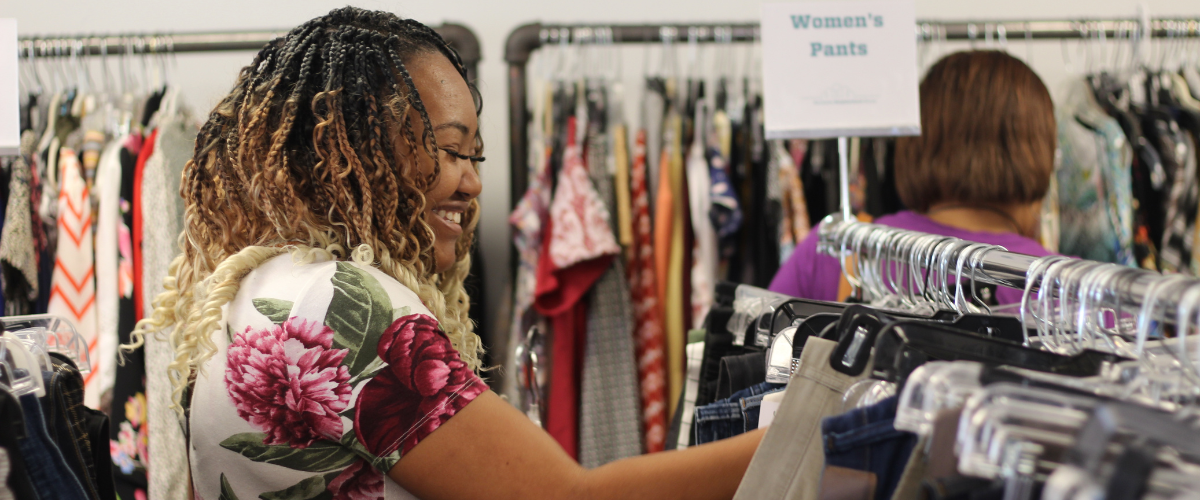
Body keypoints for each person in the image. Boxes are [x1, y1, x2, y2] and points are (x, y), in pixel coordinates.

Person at [130, 7, 762, 500]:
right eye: (452, 150)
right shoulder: (345, 303)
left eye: (474, 155)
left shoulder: (260, 283)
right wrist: (824, 435)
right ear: (354, 146)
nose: (472, 181)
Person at [770, 50, 1057, 305]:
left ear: (918, 141)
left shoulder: (835, 248)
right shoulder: (1079, 295)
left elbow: (762, 353)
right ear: (1038, 150)